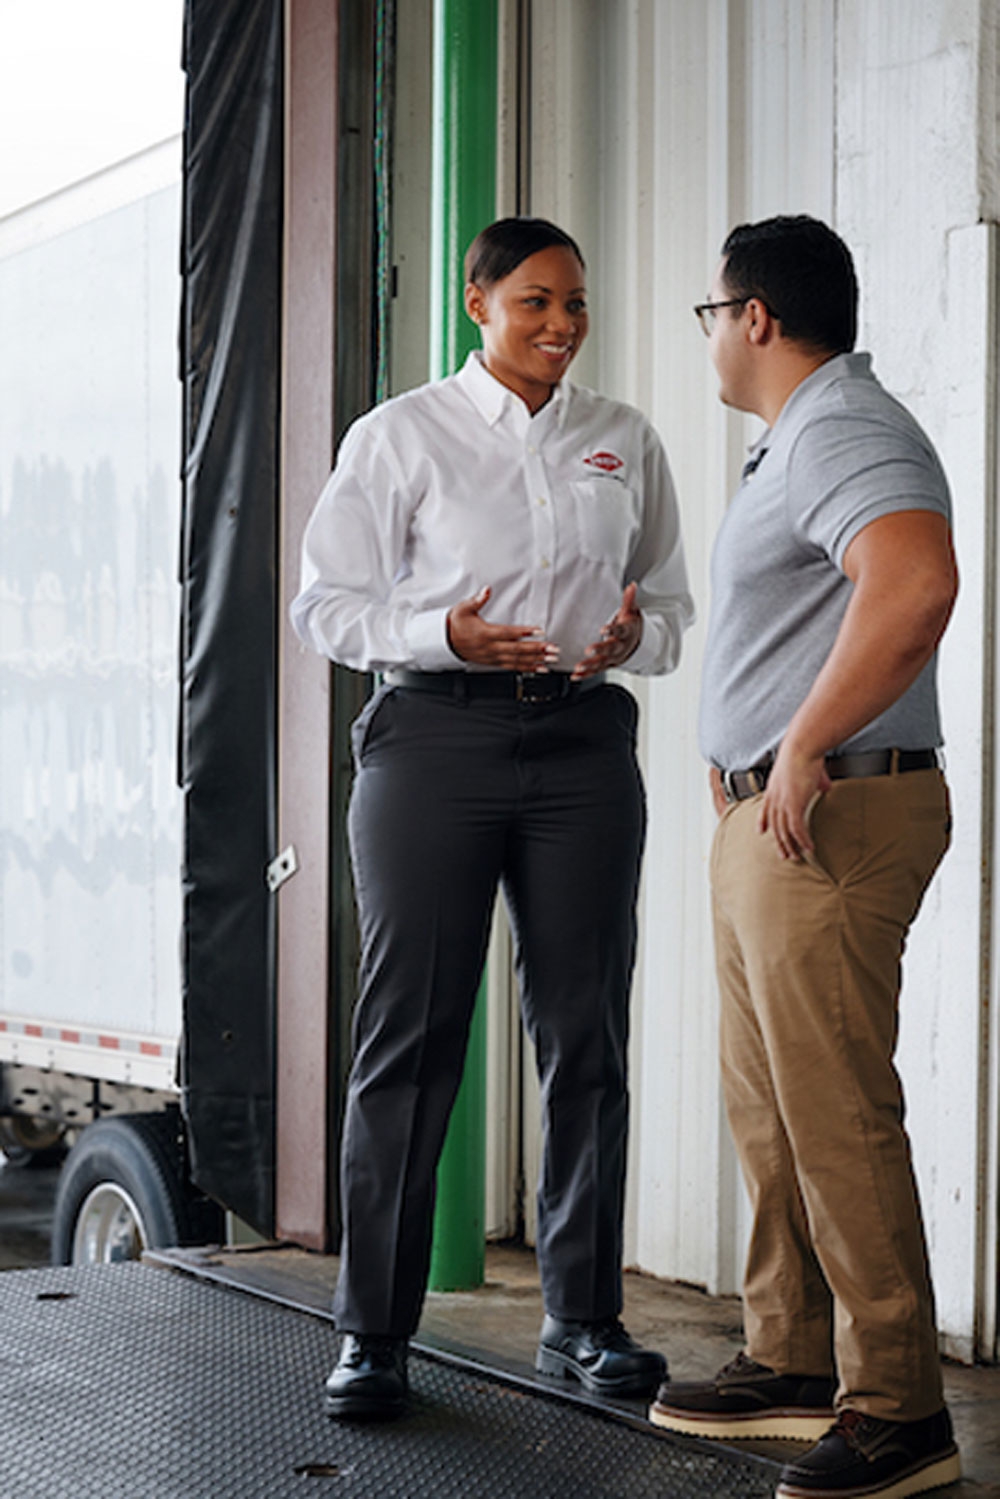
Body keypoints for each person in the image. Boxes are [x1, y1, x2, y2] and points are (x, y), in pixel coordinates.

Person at [292, 216, 694, 1420]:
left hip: (579, 744)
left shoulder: (623, 440)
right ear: (477, 304)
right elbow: (327, 604)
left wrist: (637, 639)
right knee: (408, 1040)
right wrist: (441, 634)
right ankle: (372, 1334)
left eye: (576, 303)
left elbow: (669, 603)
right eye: (535, 301)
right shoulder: (400, 435)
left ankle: (580, 1320)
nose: (562, 324)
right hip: (433, 740)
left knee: (587, 1034)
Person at [648, 216, 961, 1499]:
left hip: (826, 821)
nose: (711, 335)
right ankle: (790, 1354)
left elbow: (914, 583)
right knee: (769, 1109)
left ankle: (898, 1411)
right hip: (769, 823)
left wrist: (798, 745)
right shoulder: (798, 437)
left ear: (757, 316)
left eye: (711, 313)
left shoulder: (840, 425)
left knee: (835, 1117)